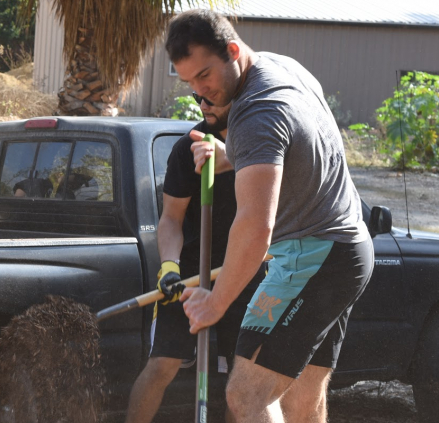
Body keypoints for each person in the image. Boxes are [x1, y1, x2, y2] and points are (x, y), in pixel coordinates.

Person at [168, 10, 374, 423]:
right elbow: (294, 145)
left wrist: (215, 302)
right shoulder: (282, 66)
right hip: (350, 250)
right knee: (303, 394)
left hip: (310, 258)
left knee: (246, 395)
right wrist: (238, 159)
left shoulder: (254, 115)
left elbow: (254, 227)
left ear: (232, 51)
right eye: (188, 81)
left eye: (205, 75)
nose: (200, 92)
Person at [124, 96, 266, 423]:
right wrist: (169, 268)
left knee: (243, 377)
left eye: (213, 98)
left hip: (247, 271)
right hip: (189, 273)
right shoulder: (187, 149)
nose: (204, 104)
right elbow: (171, 219)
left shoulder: (262, 146)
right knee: (162, 364)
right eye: (198, 98)